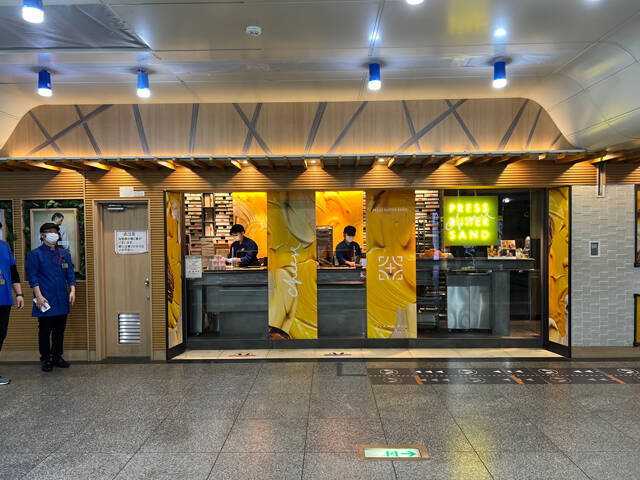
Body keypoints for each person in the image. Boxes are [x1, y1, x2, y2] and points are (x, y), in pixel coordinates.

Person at [26, 222, 76, 372]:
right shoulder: (35, 254)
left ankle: (57, 356)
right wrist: (38, 296)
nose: (53, 234)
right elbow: (33, 277)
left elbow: (70, 273)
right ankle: (46, 358)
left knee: (59, 330)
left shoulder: (64, 254)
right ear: (42, 235)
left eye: (55, 232)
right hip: (45, 298)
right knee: (45, 330)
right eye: (50, 232)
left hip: (62, 298)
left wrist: (72, 290)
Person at [0, 221, 24, 385]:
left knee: (1, 334)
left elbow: (13, 272)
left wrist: (19, 294)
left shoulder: (4, 247)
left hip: (4, 299)